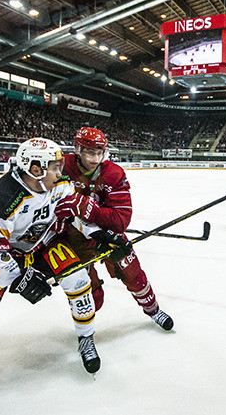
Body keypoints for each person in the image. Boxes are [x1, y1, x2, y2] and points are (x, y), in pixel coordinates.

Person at [0, 138, 132, 415]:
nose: (62, 171)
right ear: (34, 169)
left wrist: (99, 235)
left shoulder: (58, 183)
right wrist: (18, 278)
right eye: (55, 166)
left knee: (79, 282)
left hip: (42, 245)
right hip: (2, 255)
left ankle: (85, 338)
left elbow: (69, 213)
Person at [61, 127, 174, 331]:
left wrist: (87, 209)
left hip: (109, 235)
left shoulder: (113, 173)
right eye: (89, 152)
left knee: (133, 274)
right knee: (91, 297)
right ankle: (85, 326)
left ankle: (153, 310)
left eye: (99, 152)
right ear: (78, 149)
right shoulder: (61, 165)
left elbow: (121, 220)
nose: (95, 158)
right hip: (74, 238)